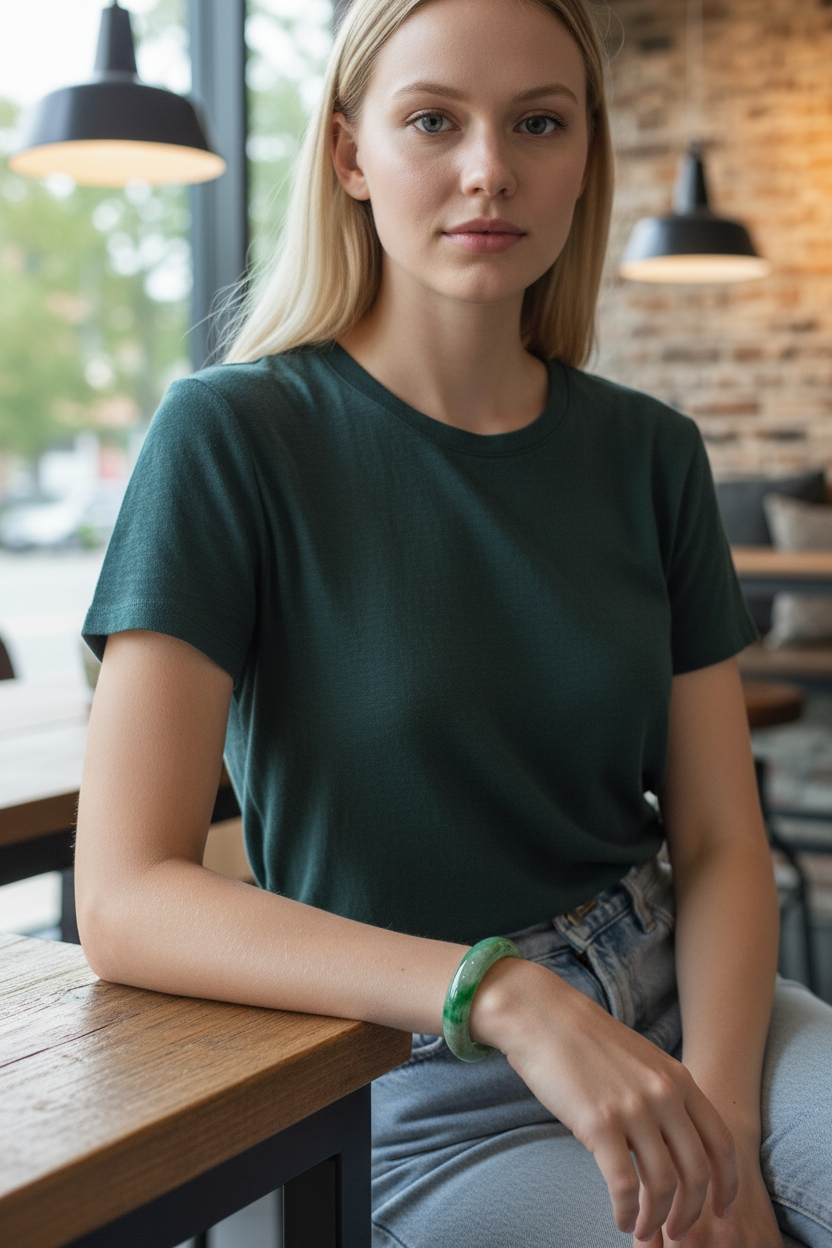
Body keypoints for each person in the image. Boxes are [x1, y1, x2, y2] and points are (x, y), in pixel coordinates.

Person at [75, 0, 832, 1244]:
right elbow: (123, 897)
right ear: (348, 154)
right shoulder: (229, 439)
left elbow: (714, 837)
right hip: (413, 1068)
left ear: (586, 153)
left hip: (683, 1000)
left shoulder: (650, 455)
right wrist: (507, 993)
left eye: (540, 121)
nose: (492, 169)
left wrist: (722, 1128)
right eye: (434, 119)